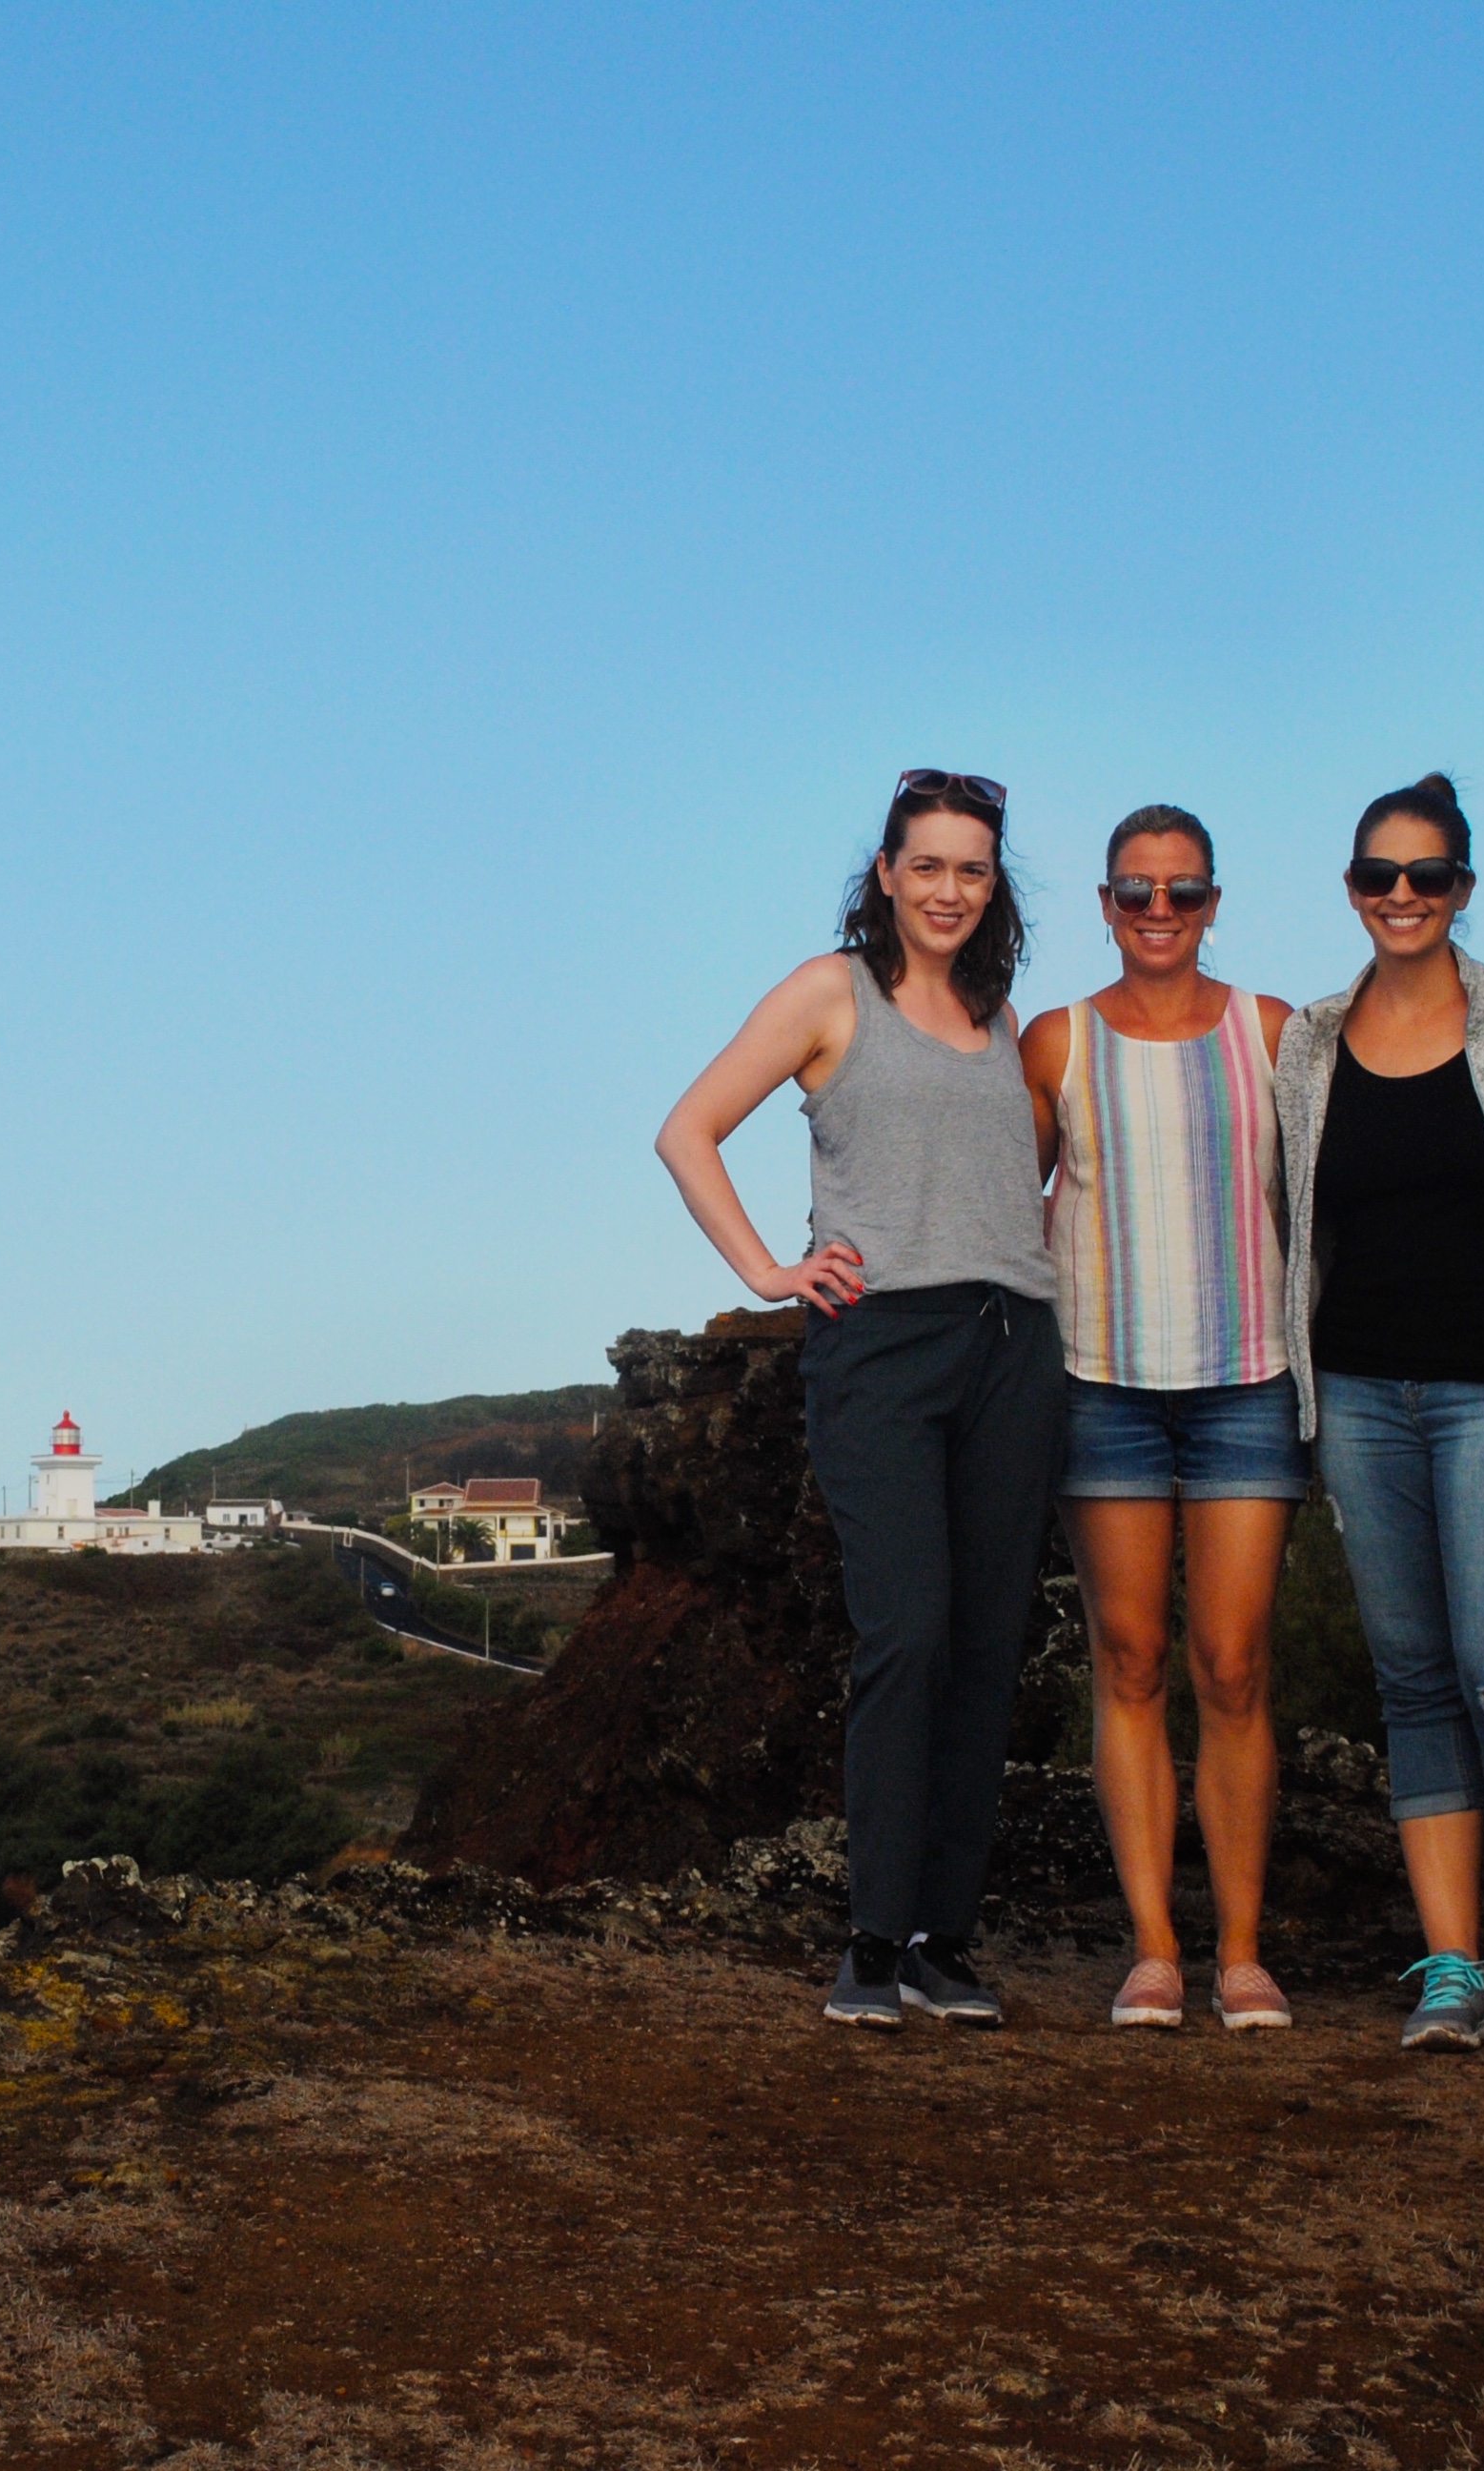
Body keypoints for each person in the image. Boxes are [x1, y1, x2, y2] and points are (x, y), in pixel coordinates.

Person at [658, 769, 1067, 2031]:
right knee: (910, 1632)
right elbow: (688, 1130)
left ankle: (948, 1941)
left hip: (1016, 1345)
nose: (950, 889)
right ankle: (875, 1941)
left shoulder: (1003, 1019)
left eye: (973, 870)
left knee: (992, 1646)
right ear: (886, 873)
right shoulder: (831, 992)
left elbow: (1028, 1183)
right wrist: (772, 1273)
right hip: (881, 1345)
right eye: (928, 864)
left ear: (994, 887)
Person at [1271, 773, 1484, 2057]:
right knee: (1413, 1684)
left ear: (1464, 889)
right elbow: (1294, 1213)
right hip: (1357, 1392)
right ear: (1353, 889)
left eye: (1429, 877)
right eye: (1378, 877)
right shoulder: (1308, 1036)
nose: (1401, 897)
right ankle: (1455, 1968)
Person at [1022, 807, 1301, 2032]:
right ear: (1101, 902)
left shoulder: (1273, 1035)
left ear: (1212, 901)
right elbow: (1004, 1207)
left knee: (1231, 1667)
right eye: (1134, 893)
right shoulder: (1055, 1043)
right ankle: (1151, 1948)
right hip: (1101, 1388)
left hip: (1248, 1382)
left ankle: (1240, 1952)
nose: (1156, 914)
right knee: (1127, 1664)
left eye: (1179, 893)